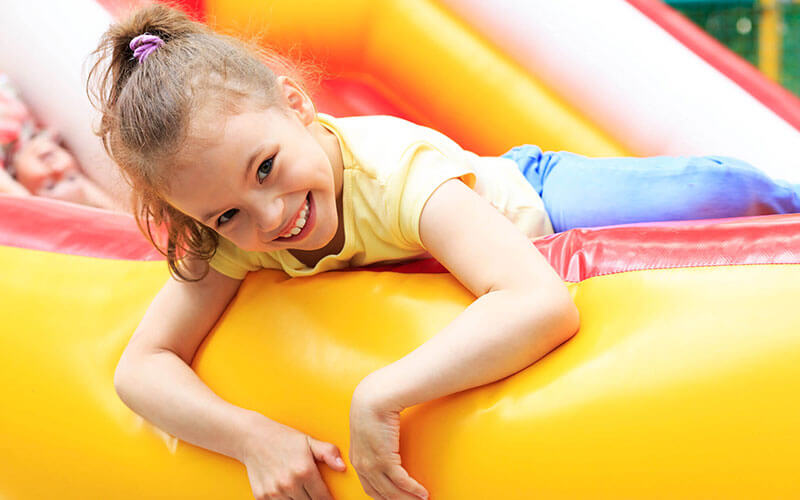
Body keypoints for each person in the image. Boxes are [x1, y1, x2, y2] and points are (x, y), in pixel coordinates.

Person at [92, 5, 800, 500]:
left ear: (298, 106)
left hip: (535, 203)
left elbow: (540, 302)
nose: (271, 216)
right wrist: (251, 437)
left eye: (267, 167)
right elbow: (141, 368)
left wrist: (383, 392)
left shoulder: (394, 173)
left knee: (719, 191)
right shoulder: (227, 236)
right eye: (226, 214)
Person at [0, 73, 116, 209]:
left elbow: (27, 205)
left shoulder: (6, 155)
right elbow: (119, 214)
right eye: (71, 177)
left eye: (50, 186)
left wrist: (29, 203)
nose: (56, 169)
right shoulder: (38, 133)